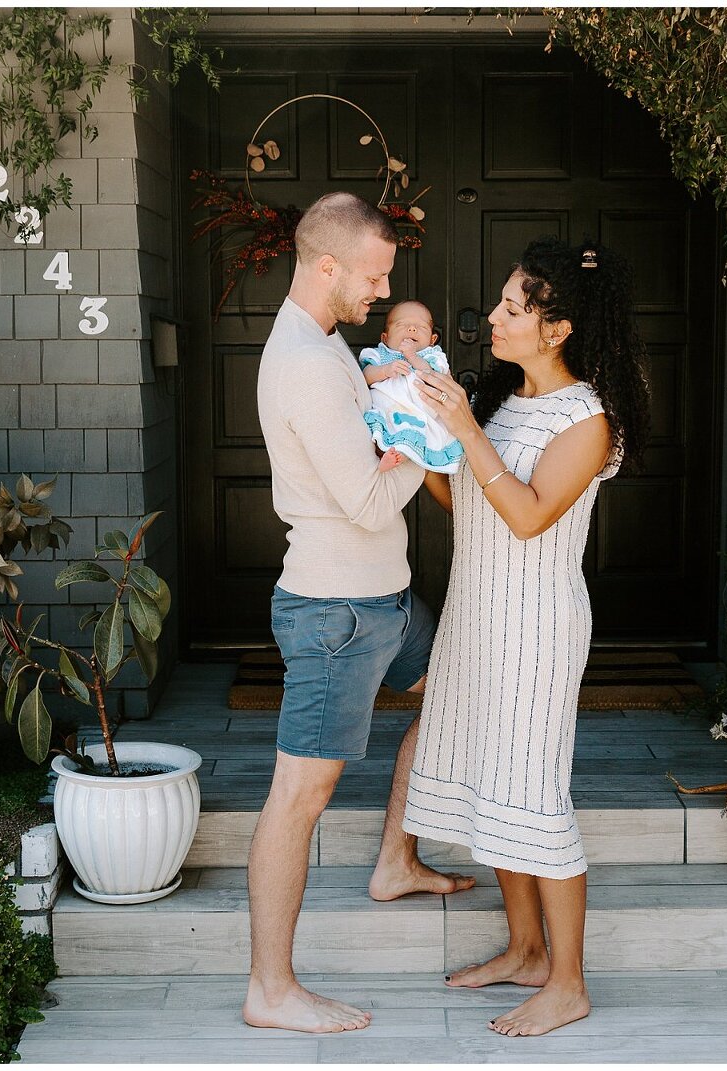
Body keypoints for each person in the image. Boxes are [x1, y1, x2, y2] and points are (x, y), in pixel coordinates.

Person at [400, 236, 651, 1037]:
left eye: (515, 308)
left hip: (535, 629)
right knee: (492, 787)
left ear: (559, 328)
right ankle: (526, 949)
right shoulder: (505, 400)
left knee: (534, 795)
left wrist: (464, 430)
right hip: (475, 614)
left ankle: (568, 982)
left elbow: (530, 514)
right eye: (503, 303)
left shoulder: (589, 420)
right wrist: (420, 438)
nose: (495, 317)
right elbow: (469, 503)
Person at [245, 191, 475, 1035]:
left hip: (383, 601)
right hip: (335, 612)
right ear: (328, 265)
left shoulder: (326, 344)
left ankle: (394, 859)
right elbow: (371, 501)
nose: (383, 292)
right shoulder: (307, 363)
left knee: (453, 688)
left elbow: (368, 437)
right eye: (374, 276)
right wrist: (432, 431)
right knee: (299, 796)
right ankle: (271, 987)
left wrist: (396, 408)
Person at [359, 300, 465, 474]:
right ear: (385, 337)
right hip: (387, 408)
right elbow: (365, 376)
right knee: (375, 429)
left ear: (432, 340)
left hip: (417, 412)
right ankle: (381, 455)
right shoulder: (380, 354)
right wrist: (385, 370)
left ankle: (400, 456)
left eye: (421, 327)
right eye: (401, 325)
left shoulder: (431, 356)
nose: (412, 329)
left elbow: (433, 378)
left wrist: (413, 357)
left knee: (414, 434)